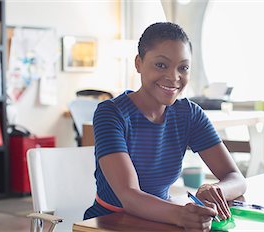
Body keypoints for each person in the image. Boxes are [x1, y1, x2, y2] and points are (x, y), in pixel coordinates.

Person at [84, 22, 246, 231]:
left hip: (161, 222)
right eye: (161, 65)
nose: (173, 77)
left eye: (183, 67)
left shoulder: (189, 114)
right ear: (139, 63)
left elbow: (236, 179)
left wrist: (214, 189)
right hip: (110, 224)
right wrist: (181, 215)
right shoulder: (111, 114)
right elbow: (130, 197)